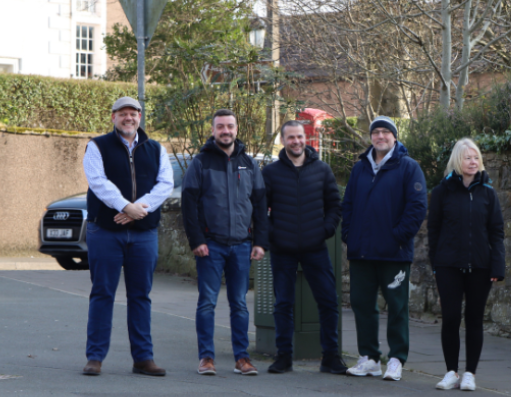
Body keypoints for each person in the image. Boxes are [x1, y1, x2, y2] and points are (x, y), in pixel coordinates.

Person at [82, 96, 174, 376]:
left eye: (133, 113)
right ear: (113, 118)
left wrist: (137, 210)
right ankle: (95, 357)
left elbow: (166, 184)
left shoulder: (156, 148)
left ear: (140, 117)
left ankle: (143, 358)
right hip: (106, 232)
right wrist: (125, 206)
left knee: (140, 296)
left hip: (143, 233)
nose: (128, 118)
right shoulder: (97, 146)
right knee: (102, 293)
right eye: (122, 113)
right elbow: (97, 181)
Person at [181, 109, 268, 376]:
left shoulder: (250, 164)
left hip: (242, 245)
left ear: (237, 129)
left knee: (239, 304)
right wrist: (197, 240)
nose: (226, 131)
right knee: (207, 301)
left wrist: (259, 242)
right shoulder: (201, 162)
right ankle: (206, 358)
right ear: (213, 130)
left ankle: (242, 358)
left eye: (230, 126)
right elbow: (189, 205)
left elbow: (260, 204)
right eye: (220, 127)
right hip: (210, 245)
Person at [341, 116, 427, 381]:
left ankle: (396, 359)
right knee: (362, 304)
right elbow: (348, 205)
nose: (380, 136)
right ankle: (369, 358)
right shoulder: (360, 169)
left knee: (397, 306)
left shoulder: (409, 167)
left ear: (394, 137)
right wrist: (349, 235)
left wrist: (397, 237)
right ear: (371, 137)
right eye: (375, 132)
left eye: (385, 132)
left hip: (394, 254)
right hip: (362, 252)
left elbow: (417, 208)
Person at [262, 120, 347, 375]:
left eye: (300, 136)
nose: (296, 141)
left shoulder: (322, 170)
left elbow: (335, 205)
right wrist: (273, 234)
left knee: (328, 302)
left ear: (305, 138)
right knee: (283, 305)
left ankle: (330, 357)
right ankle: (283, 357)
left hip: (315, 248)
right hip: (282, 250)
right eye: (291, 137)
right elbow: (259, 211)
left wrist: (325, 230)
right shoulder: (271, 173)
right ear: (283, 141)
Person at [427, 138, 505, 391]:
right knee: (450, 318)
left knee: (474, 319)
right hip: (448, 265)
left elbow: (496, 232)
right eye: (467, 157)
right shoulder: (442, 192)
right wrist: (435, 265)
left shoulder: (488, 193)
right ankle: (451, 372)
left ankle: (470, 373)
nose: (473, 162)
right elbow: (434, 231)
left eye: (476, 158)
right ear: (457, 161)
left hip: (480, 267)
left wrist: (497, 266)